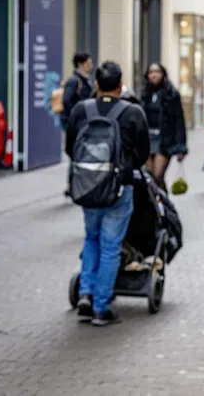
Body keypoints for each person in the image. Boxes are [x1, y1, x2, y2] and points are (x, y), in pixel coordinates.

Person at [65, 61, 150, 326]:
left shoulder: (82, 110)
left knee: (91, 238)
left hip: (88, 186)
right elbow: (143, 153)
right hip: (119, 187)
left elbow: (70, 146)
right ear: (120, 85)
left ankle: (85, 294)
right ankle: (101, 307)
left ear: (96, 84)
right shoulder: (133, 112)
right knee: (111, 245)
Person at [140, 63, 187, 191]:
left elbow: (179, 120)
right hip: (147, 139)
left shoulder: (171, 94)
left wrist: (181, 147)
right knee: (149, 177)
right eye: (151, 72)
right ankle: (159, 201)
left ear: (163, 74)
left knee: (158, 175)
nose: (154, 75)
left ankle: (162, 201)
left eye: (157, 72)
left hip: (164, 140)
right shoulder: (144, 94)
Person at [61, 52, 95, 197]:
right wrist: (77, 116)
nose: (90, 65)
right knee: (76, 153)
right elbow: (67, 101)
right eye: (88, 62)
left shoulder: (86, 79)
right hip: (76, 123)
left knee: (80, 152)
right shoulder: (75, 80)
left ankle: (76, 184)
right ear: (81, 64)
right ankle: (72, 185)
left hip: (83, 122)